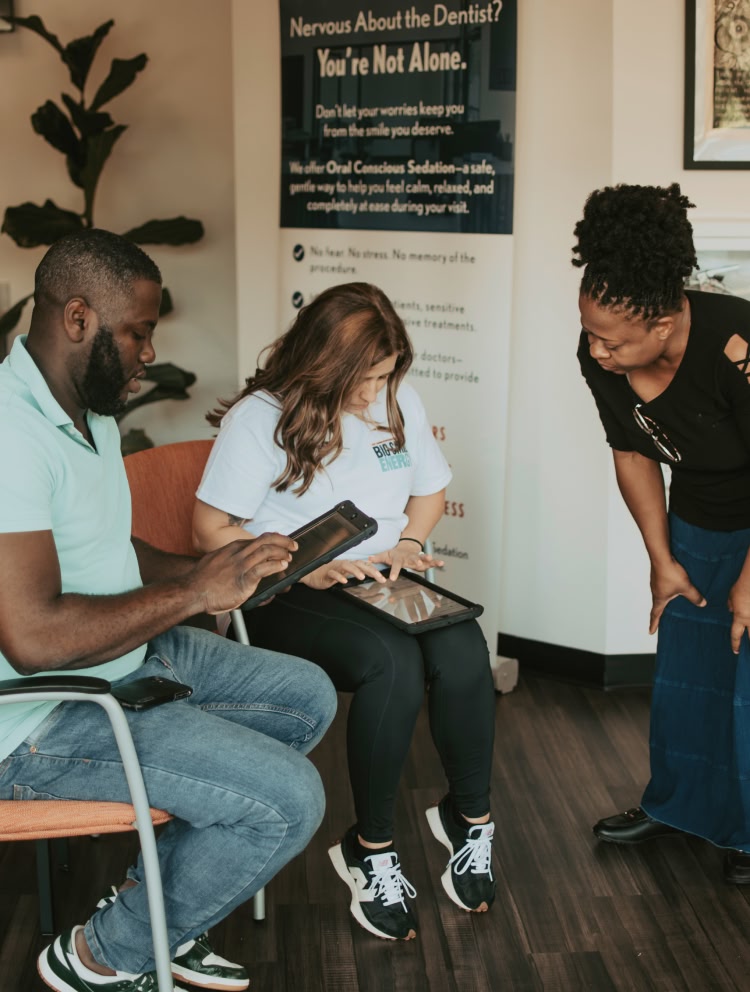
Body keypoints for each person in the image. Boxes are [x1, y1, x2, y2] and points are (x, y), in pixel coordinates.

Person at [0, 229, 338, 992]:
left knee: (305, 697)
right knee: (289, 801)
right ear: (78, 318)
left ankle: (164, 910)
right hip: (36, 714)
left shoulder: (87, 411)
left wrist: (214, 572)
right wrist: (191, 595)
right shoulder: (9, 435)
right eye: (139, 332)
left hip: (117, 655)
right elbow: (33, 639)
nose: (149, 352)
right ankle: (101, 957)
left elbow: (106, 548)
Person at [192, 282, 497, 941]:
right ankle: (371, 848)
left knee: (464, 649)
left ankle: (469, 820)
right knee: (394, 664)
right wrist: (304, 564)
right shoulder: (259, 418)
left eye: (385, 376)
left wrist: (410, 544)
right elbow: (209, 530)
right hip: (285, 590)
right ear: (323, 364)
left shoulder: (396, 401)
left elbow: (430, 491)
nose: (373, 394)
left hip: (381, 579)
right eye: (363, 379)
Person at [574, 182, 750, 885]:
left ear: (665, 323)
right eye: (590, 333)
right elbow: (631, 450)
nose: (596, 351)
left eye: (612, 341)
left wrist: (749, 581)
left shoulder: (735, 344)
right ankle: (681, 807)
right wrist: (662, 559)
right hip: (698, 517)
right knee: (688, 675)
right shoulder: (603, 353)